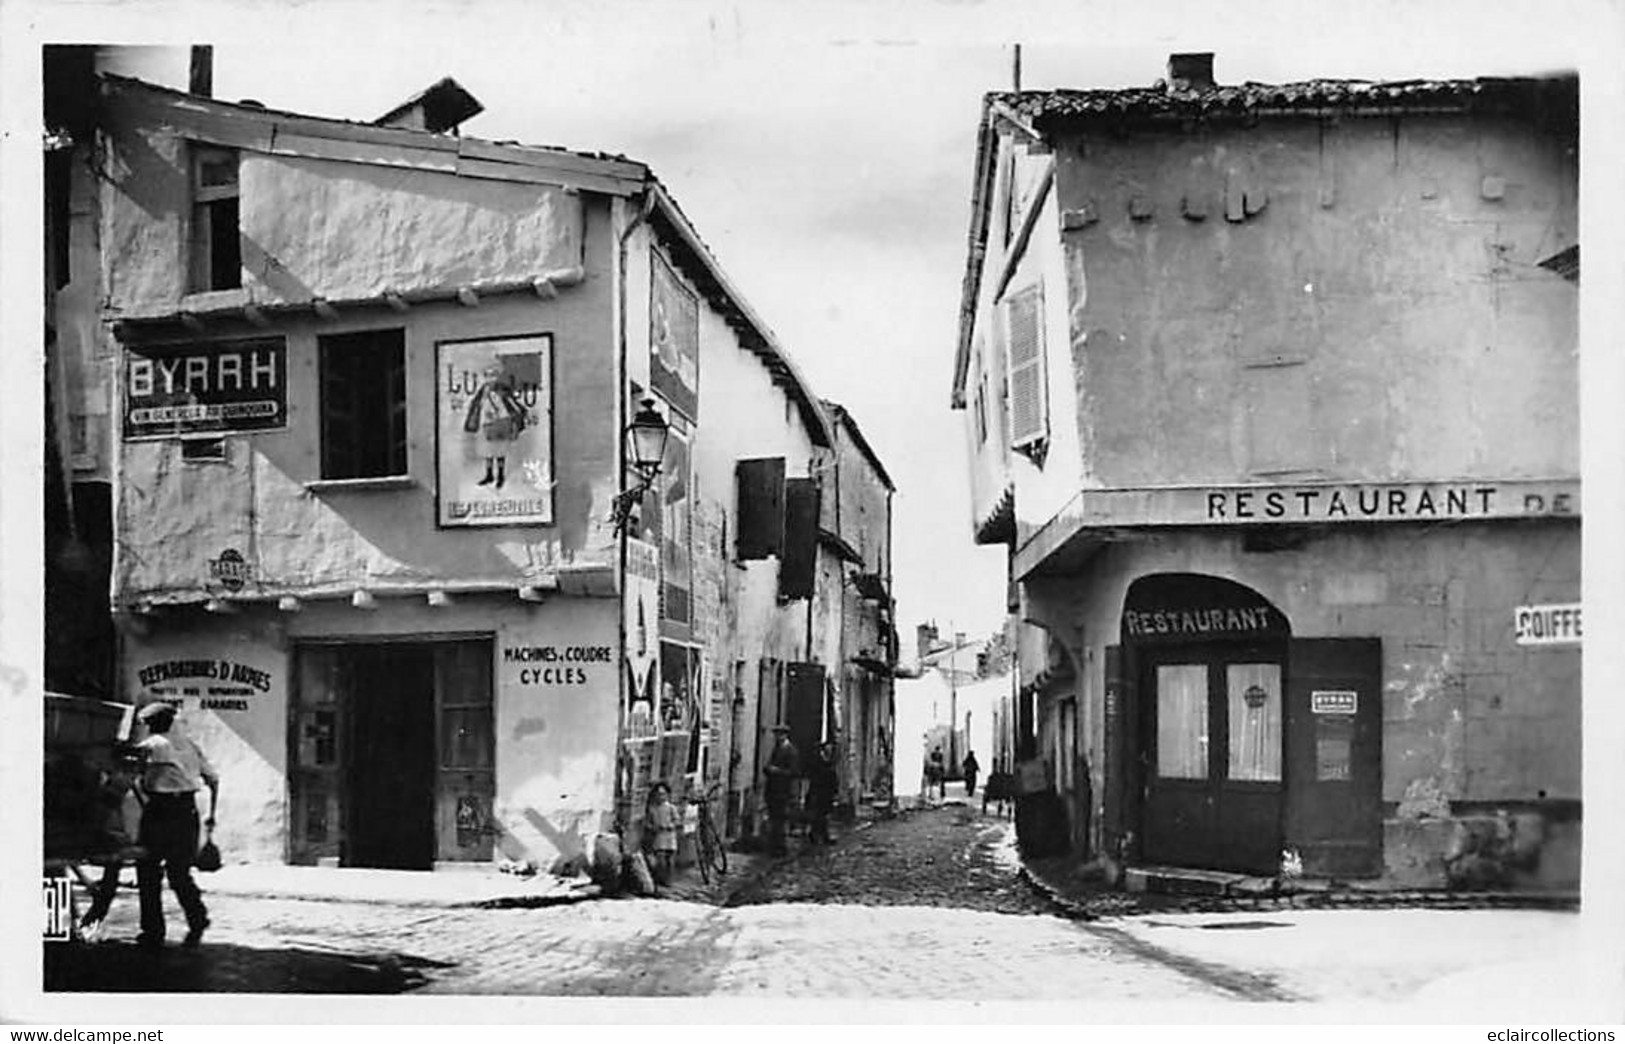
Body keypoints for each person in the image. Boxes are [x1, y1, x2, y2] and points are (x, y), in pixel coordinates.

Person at [132, 701, 219, 950]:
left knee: (148, 870)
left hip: (160, 811)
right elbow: (213, 779)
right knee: (179, 872)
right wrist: (211, 814)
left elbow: (129, 770)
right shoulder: (190, 746)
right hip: (186, 812)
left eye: (148, 724)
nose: (147, 728)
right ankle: (198, 917)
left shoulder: (152, 745)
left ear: (155, 724)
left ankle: (153, 930)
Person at [762, 725, 800, 856]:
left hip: (782, 791)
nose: (777, 737)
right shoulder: (777, 749)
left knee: (779, 820)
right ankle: (774, 847)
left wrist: (777, 771)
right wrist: (768, 769)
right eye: (776, 735)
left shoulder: (791, 751)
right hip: (773, 790)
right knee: (774, 819)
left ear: (785, 735)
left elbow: (794, 772)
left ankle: (780, 848)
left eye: (780, 735)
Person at [645, 782, 679, 888]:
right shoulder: (652, 809)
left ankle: (669, 880)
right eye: (659, 794)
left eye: (663, 794)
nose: (661, 797)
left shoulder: (671, 808)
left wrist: (671, 825)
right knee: (660, 859)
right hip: (659, 836)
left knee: (670, 860)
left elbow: (677, 820)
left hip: (669, 835)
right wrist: (652, 827)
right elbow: (648, 822)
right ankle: (661, 879)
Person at [806, 742, 839, 845]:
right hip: (819, 792)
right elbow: (817, 776)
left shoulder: (828, 761)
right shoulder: (818, 761)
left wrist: (834, 790)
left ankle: (819, 835)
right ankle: (818, 835)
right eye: (828, 749)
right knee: (819, 815)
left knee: (823, 815)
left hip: (826, 793)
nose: (830, 751)